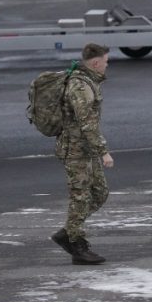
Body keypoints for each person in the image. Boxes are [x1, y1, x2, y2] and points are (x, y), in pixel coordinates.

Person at [50, 43, 114, 265]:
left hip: (86, 148)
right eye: (105, 62)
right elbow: (87, 123)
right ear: (95, 63)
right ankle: (76, 245)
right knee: (81, 196)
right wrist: (103, 152)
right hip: (76, 151)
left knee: (100, 193)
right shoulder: (80, 86)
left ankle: (67, 232)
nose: (107, 65)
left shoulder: (89, 81)